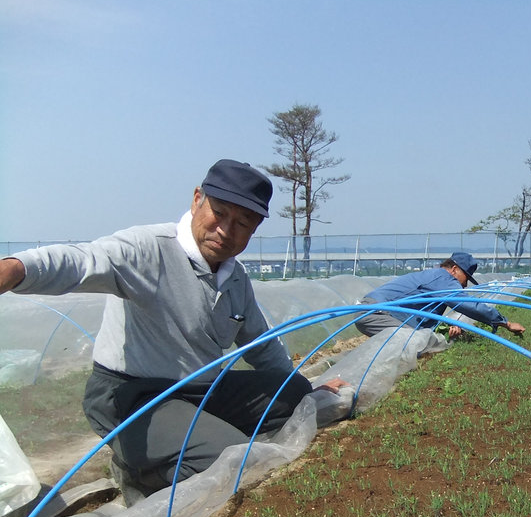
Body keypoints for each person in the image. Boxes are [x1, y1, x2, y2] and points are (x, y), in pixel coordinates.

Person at [0, 159, 343, 498]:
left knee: (294, 392)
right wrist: (17, 269)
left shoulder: (234, 278)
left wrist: (311, 387)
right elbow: (83, 260)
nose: (226, 230)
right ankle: (141, 472)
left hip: (201, 390)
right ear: (197, 199)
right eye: (219, 213)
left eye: (243, 223)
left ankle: (186, 442)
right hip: (135, 396)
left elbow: (261, 344)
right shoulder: (149, 249)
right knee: (232, 459)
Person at [354, 252, 526, 339]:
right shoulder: (443, 277)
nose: (464, 285)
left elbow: (422, 317)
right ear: (454, 269)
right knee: (415, 343)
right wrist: (505, 323)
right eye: (465, 278)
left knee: (416, 342)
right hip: (375, 312)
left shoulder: (435, 278)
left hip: (377, 311)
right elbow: (466, 304)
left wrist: (445, 328)